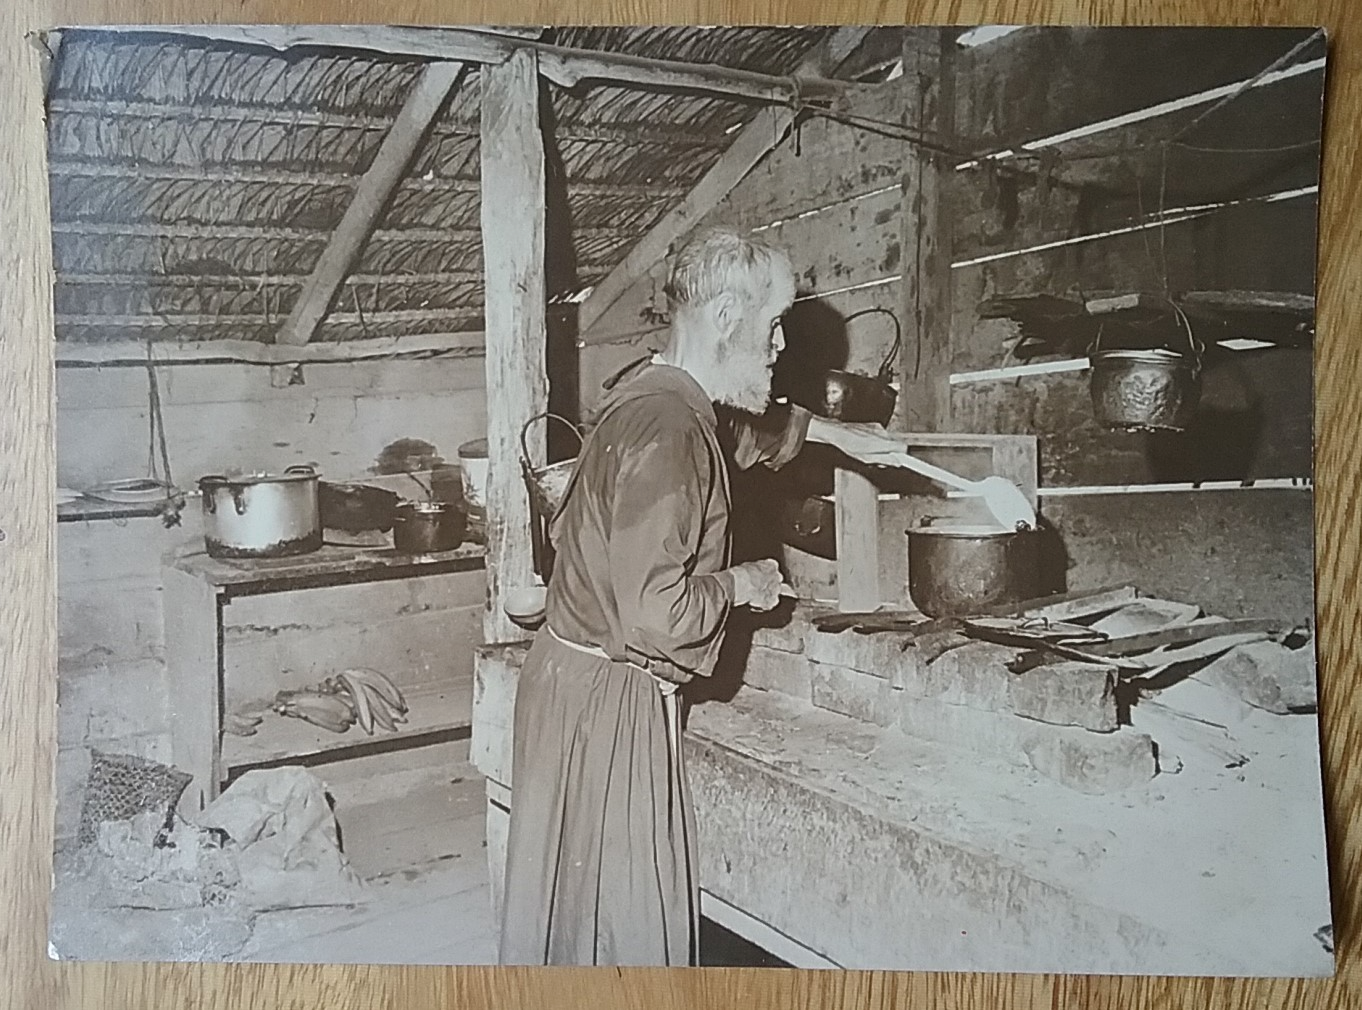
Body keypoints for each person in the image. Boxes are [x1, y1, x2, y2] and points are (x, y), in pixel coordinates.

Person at [497, 227, 909, 967]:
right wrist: (741, 584)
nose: (781, 345)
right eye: (774, 322)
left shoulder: (654, 400)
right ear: (726, 319)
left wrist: (844, 440)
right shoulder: (671, 431)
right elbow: (658, 613)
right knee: (623, 936)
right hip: (608, 707)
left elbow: (748, 445)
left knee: (568, 929)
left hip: (571, 685)